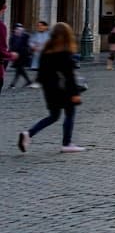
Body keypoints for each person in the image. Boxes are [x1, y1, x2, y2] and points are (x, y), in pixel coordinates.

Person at [18, 22, 83, 153]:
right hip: (64, 90)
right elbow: (69, 76)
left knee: (53, 116)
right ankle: (66, 143)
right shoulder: (65, 52)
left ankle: (28, 134)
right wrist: (75, 93)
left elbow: (41, 74)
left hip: (49, 90)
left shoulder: (46, 51)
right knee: (70, 113)